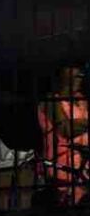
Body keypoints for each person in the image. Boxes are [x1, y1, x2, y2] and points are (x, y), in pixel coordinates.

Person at [37, 65, 90, 206]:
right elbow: (66, 129)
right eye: (74, 76)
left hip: (84, 165)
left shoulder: (81, 99)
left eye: (80, 76)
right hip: (62, 165)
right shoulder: (51, 101)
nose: (79, 79)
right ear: (62, 78)